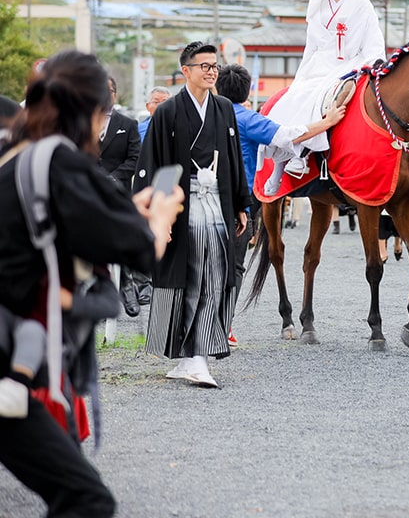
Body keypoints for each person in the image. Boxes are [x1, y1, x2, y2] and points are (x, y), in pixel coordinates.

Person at [0, 49, 183, 518]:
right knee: (86, 499)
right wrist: (161, 217)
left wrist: (129, 215)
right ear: (94, 112)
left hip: (18, 354)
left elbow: (73, 229)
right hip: (11, 361)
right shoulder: (61, 161)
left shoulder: (14, 156)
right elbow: (140, 250)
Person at [134, 42, 251, 388]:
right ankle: (193, 356)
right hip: (183, 204)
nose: (212, 71)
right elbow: (159, 164)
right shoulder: (168, 111)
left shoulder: (224, 108)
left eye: (214, 66)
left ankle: (195, 355)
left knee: (213, 275)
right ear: (186, 71)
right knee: (190, 277)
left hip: (216, 200)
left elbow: (232, 159)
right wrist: (160, 215)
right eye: (204, 66)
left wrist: (241, 204)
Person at [214, 63, 346, 342]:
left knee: (204, 262)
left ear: (217, 89)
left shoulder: (202, 117)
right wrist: (326, 122)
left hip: (202, 196)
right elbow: (288, 135)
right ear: (247, 92)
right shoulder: (249, 119)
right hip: (238, 200)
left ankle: (195, 326)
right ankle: (222, 328)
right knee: (234, 265)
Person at [263, 0, 384, 196]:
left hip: (350, 63)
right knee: (294, 96)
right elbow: (312, 47)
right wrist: (300, 76)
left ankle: (303, 153)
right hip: (318, 64)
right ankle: (280, 164)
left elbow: (373, 41)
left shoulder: (361, 4)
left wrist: (372, 64)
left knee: (323, 93)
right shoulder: (318, 7)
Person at [97, 77, 148, 317]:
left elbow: (135, 159)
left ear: (115, 95)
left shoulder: (127, 124)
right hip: (88, 194)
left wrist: (114, 178)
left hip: (119, 193)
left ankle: (128, 286)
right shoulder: (79, 123)